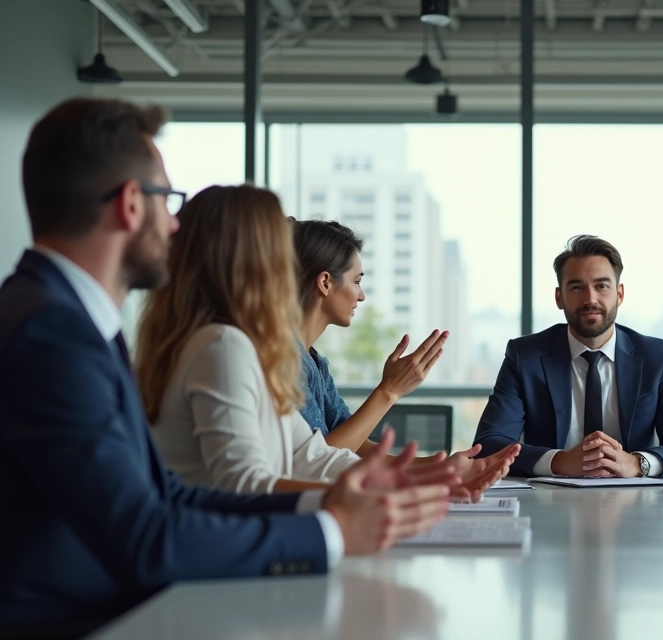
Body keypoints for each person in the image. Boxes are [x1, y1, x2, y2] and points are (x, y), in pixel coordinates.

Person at [0, 97, 452, 633]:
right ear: (129, 204)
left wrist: (333, 507)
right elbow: (144, 537)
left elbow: (167, 496)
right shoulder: (52, 333)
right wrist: (333, 531)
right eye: (166, 201)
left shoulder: (68, 319)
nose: (174, 226)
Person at [136, 186, 514, 498]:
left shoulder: (245, 347)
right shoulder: (223, 346)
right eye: (279, 251)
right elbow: (245, 484)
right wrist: (400, 489)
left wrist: (427, 479)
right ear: (247, 261)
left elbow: (312, 455)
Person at [290, 219, 517, 468]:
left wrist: (438, 466)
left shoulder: (315, 363)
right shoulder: (288, 363)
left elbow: (355, 445)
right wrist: (389, 390)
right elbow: (317, 463)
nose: (362, 295)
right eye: (356, 281)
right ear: (325, 283)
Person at [473, 235, 663, 478]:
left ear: (620, 294)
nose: (590, 299)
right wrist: (558, 462)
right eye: (576, 287)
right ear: (559, 297)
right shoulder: (525, 357)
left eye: (602, 286)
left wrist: (637, 464)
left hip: (635, 502)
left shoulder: (657, 357)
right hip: (549, 504)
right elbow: (488, 445)